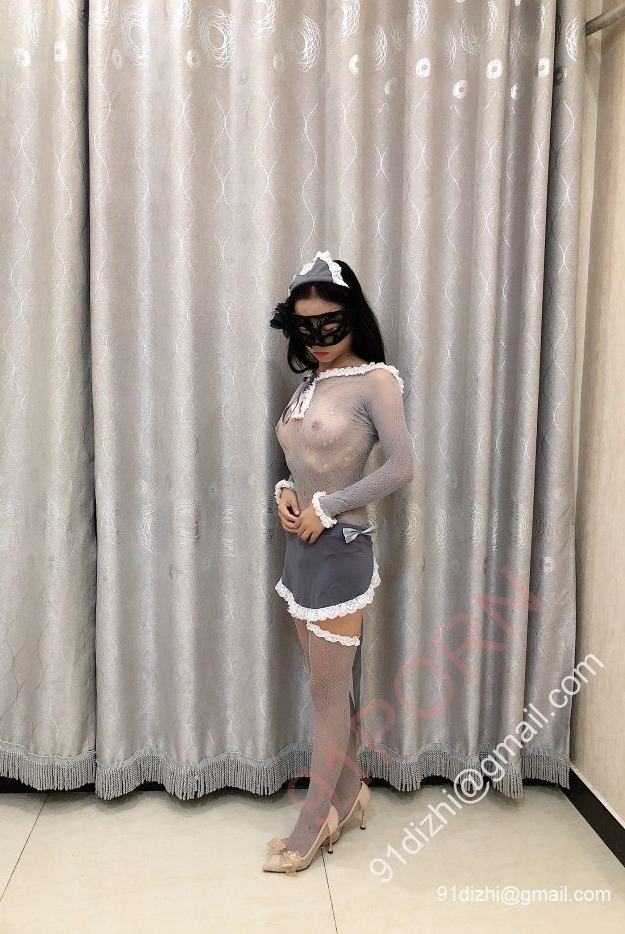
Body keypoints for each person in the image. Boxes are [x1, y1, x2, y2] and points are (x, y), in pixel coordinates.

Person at [263, 250, 414, 875]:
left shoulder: (376, 381)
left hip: (341, 552)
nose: (318, 338)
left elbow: (401, 467)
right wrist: (287, 491)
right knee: (328, 687)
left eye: (330, 323)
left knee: (327, 694)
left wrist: (327, 506)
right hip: (300, 553)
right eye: (306, 327)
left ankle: (313, 821)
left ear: (353, 317)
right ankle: (349, 797)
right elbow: (301, 461)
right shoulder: (308, 386)